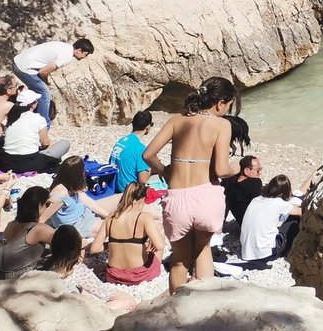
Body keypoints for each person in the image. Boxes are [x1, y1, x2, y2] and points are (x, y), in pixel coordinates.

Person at [142, 76, 236, 291]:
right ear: (220, 103)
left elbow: (148, 154)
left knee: (179, 261)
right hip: (205, 196)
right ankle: (201, 314)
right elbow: (222, 169)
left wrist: (166, 171)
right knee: (203, 252)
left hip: (177, 198)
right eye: (228, 106)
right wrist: (237, 168)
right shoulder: (221, 124)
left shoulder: (177, 120)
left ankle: (175, 312)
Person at [90, 182, 166, 286]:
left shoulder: (111, 217)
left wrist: (116, 243)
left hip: (113, 275)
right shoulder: (144, 217)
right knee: (161, 237)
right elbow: (159, 245)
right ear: (140, 200)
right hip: (139, 276)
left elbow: (94, 249)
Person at [47, 224, 136, 312]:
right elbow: (104, 292)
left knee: (84, 293)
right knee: (126, 302)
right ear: (77, 249)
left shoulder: (45, 266)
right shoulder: (78, 271)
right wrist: (129, 299)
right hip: (74, 314)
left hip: (54, 308)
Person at [12, 37, 93, 125]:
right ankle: (43, 126)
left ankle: (26, 120)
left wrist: (45, 82)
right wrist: (46, 83)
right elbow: (43, 72)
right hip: (24, 68)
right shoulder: (66, 56)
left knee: (37, 93)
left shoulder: (64, 46)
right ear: (79, 50)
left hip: (20, 62)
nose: (85, 57)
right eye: (86, 54)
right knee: (45, 94)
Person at [0, 89, 71, 172]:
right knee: (64, 143)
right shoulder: (38, 119)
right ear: (33, 104)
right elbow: (45, 144)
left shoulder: (11, 118)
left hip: (7, 163)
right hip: (28, 163)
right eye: (36, 101)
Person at [45, 155, 118, 239]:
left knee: (120, 200)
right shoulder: (59, 194)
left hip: (86, 214)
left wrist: (110, 216)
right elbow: (43, 218)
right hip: (78, 226)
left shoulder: (70, 186)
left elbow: (91, 204)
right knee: (116, 228)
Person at [0, 186, 58, 281]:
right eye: (47, 204)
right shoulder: (38, 229)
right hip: (18, 281)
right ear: (39, 206)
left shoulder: (10, 225)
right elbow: (64, 242)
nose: (47, 207)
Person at [238, 174, 302, 268]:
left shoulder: (256, 199)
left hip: (246, 253)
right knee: (294, 220)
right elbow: (301, 212)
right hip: (265, 255)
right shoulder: (279, 203)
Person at [110, 110, 154, 192]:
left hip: (114, 186)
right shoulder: (140, 148)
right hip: (128, 191)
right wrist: (150, 168)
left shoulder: (121, 141)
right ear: (147, 128)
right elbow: (143, 180)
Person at [223, 154, 263, 226]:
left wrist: (222, 223)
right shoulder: (255, 183)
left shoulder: (228, 181)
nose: (260, 173)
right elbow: (260, 207)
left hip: (242, 224)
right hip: (254, 225)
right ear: (246, 171)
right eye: (258, 170)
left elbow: (226, 204)